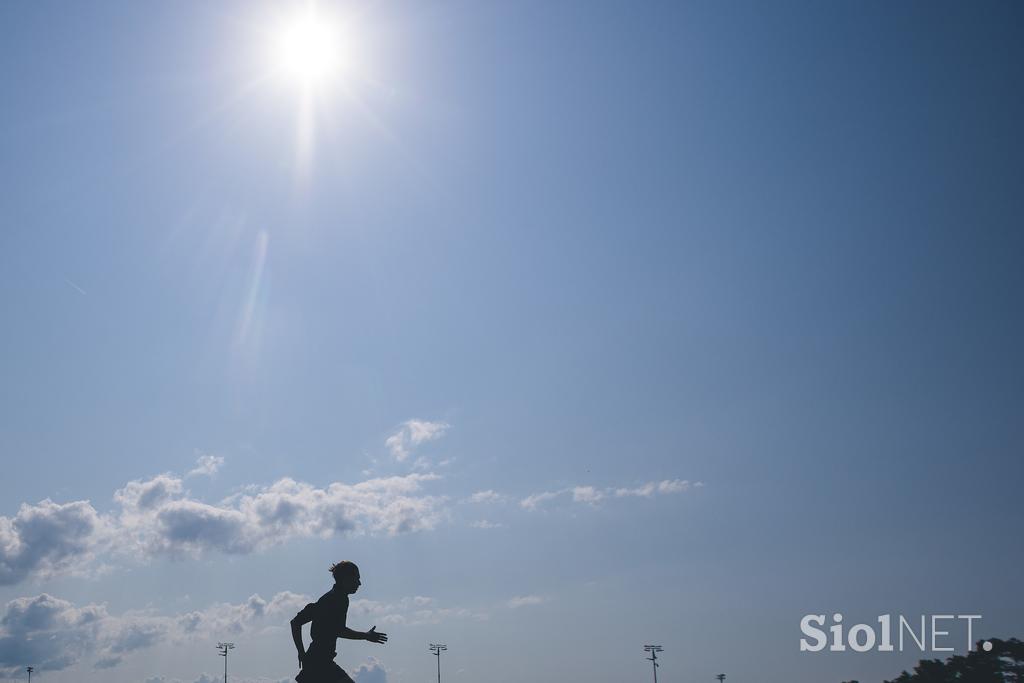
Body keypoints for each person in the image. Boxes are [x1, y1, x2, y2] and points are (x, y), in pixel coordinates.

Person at [291, 560, 388, 683]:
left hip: (317, 662)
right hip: (319, 664)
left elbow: (295, 622)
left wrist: (301, 653)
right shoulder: (337, 599)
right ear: (346, 578)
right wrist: (366, 636)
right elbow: (339, 631)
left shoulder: (329, 598)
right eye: (356, 578)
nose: (359, 583)